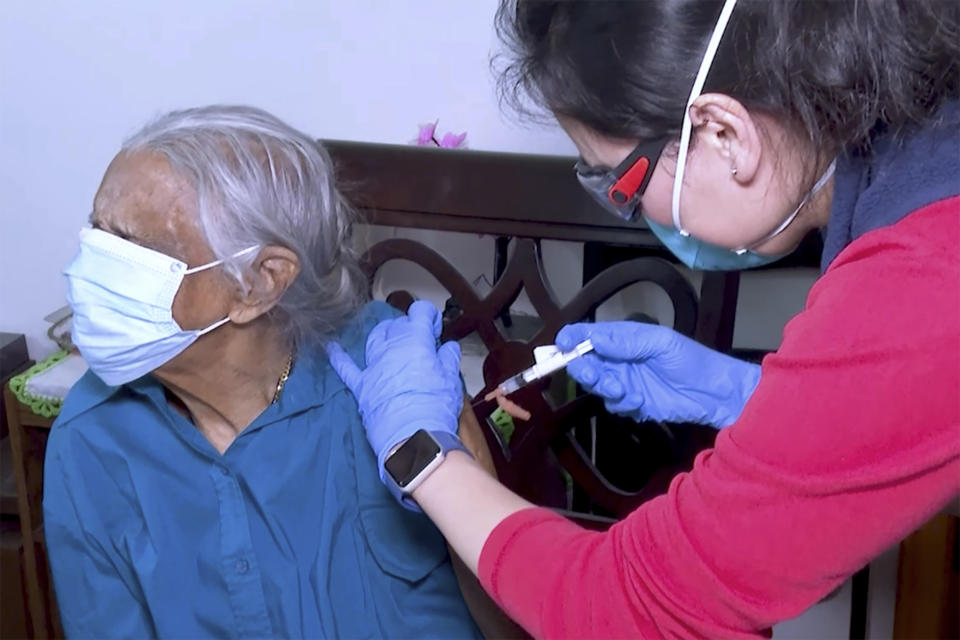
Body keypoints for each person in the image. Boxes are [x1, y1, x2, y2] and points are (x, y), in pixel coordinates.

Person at [326, 0, 960, 637]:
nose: (631, 213)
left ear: (723, 134)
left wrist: (425, 457)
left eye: (618, 185)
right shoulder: (925, 170)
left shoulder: (924, 270)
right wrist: (757, 399)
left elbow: (633, 611)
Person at [44, 105, 489, 638]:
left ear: (259, 283)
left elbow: (509, 620)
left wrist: (446, 453)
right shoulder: (93, 436)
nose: (91, 261)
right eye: (97, 228)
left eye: (131, 247)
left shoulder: (396, 376)